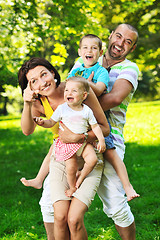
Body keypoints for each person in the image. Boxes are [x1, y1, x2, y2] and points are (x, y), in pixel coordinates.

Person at [18, 57, 109, 240]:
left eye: (44, 74)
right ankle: (39, 180)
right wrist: (27, 103)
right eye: (33, 81)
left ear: (52, 72)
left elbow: (104, 128)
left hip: (87, 156)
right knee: (58, 215)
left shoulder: (77, 88)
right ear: (30, 88)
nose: (42, 83)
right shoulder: (38, 102)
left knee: (73, 219)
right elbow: (27, 130)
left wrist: (79, 137)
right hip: (62, 156)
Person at [67, 23, 140, 240]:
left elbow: (115, 98)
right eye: (118, 36)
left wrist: (79, 106)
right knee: (57, 199)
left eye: (127, 41)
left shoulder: (129, 68)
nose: (120, 43)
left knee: (116, 205)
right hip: (74, 135)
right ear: (110, 36)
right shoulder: (85, 59)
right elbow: (68, 89)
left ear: (132, 48)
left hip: (109, 137)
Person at [33, 76, 106, 197]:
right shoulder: (62, 109)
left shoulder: (86, 110)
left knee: (93, 160)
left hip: (83, 143)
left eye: (74, 91)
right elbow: (51, 122)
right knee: (70, 168)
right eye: (66, 90)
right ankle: (73, 187)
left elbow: (96, 126)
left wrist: (101, 141)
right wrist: (42, 122)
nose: (68, 93)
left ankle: (81, 175)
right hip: (68, 145)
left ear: (83, 96)